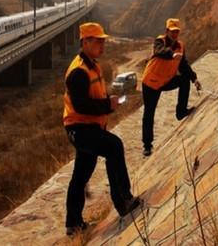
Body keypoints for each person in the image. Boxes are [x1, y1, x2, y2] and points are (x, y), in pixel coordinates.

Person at [63, 22, 140, 236]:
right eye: (98, 41)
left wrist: (108, 101)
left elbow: (92, 98)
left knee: (81, 174)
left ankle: (73, 224)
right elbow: (81, 105)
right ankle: (123, 200)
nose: (102, 45)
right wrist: (108, 105)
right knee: (114, 146)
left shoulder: (92, 65)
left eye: (103, 41)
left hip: (87, 127)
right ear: (85, 42)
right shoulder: (78, 71)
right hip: (79, 128)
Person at [141, 18, 202, 156]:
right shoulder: (160, 41)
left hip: (165, 81)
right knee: (149, 113)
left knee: (184, 79)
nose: (174, 34)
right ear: (167, 31)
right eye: (172, 31)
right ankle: (147, 145)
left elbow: (184, 65)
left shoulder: (180, 45)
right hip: (151, 82)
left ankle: (181, 111)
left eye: (176, 32)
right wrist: (172, 54)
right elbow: (160, 51)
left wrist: (194, 79)